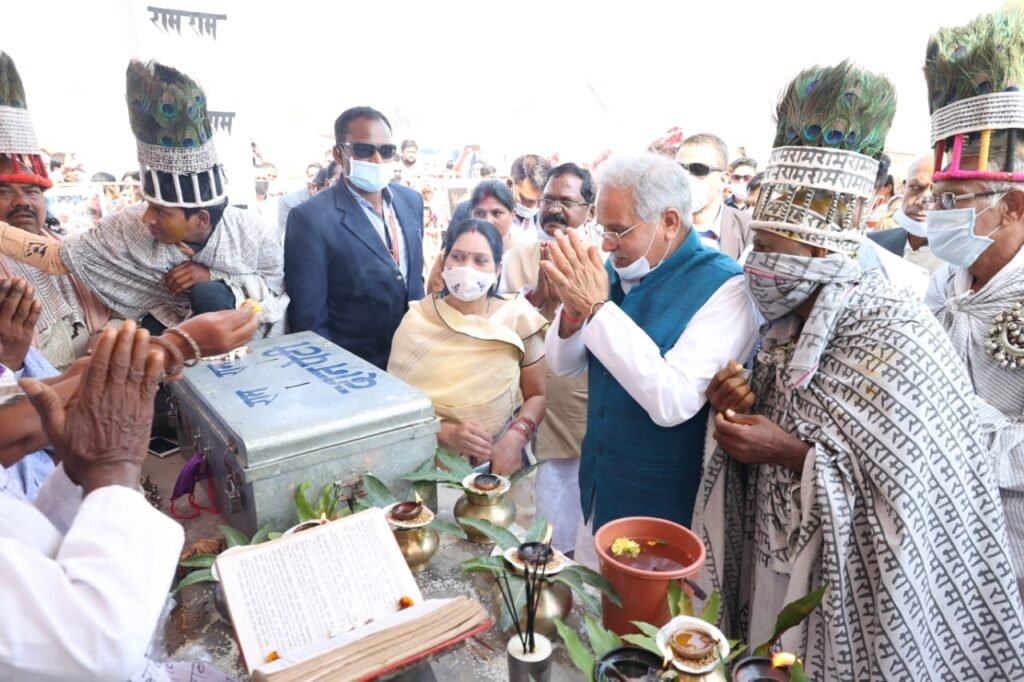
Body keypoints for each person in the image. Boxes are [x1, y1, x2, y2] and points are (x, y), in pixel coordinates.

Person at [693, 62, 1024, 679]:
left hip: (857, 598)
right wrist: (735, 407)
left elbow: (904, 489)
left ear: (820, 249)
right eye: (755, 246)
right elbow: (778, 425)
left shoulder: (893, 328)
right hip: (776, 565)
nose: (755, 266)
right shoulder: (784, 322)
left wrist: (788, 452)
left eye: (772, 250)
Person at [542, 153, 757, 567]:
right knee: (591, 603)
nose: (607, 244)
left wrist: (596, 308)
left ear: (669, 222)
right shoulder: (612, 269)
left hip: (664, 512)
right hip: (598, 491)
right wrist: (572, 310)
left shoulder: (725, 286)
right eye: (603, 229)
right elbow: (563, 364)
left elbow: (673, 401)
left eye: (619, 231)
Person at [0, 60, 287, 338]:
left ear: (201, 219)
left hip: (250, 340)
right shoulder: (128, 226)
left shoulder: (255, 235)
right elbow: (57, 258)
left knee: (209, 295)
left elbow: (277, 291)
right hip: (165, 333)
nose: (146, 217)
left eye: (161, 211)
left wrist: (215, 278)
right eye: (148, 204)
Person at [922, 9, 1024, 599]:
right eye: (936, 199)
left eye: (953, 199)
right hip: (935, 529)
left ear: (1013, 208)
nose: (936, 214)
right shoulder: (942, 283)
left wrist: (946, 424)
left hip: (1010, 549)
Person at [388, 219, 546, 476]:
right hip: (429, 471)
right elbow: (397, 408)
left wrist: (515, 439)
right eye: (458, 257)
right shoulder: (418, 320)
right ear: (443, 262)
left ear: (498, 269)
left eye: (480, 260)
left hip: (499, 468)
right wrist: (445, 432)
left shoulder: (519, 318)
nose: (467, 268)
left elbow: (537, 396)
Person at [501, 162, 597, 552]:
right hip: (522, 402)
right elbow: (501, 327)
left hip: (574, 409)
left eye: (567, 201)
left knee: (564, 521)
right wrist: (540, 297)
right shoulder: (516, 257)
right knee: (520, 520)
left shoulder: (599, 261)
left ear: (589, 209)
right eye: (549, 200)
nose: (555, 209)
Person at [285, 106, 425, 369]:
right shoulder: (310, 219)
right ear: (339, 154)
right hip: (358, 369)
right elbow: (309, 320)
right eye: (363, 150)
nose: (377, 159)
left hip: (417, 359)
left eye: (386, 150)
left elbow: (413, 278)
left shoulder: (411, 201)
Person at [0, 51, 111, 370]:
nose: (22, 201)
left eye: (32, 191)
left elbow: (117, 311)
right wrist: (12, 359)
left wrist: (107, 337)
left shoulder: (69, 248)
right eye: (4, 191)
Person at [427, 180, 519, 294]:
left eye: (497, 213)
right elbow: (436, 298)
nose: (488, 221)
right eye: (480, 213)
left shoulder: (524, 256)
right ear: (471, 214)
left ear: (513, 215)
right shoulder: (450, 255)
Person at [675, 133, 752, 259]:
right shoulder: (654, 223)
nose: (685, 178)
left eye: (698, 169)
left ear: (723, 179)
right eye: (678, 169)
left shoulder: (749, 230)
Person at [891, 153, 944, 272]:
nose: (922, 202)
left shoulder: (958, 266)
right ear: (904, 188)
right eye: (915, 187)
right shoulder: (875, 243)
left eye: (937, 193)